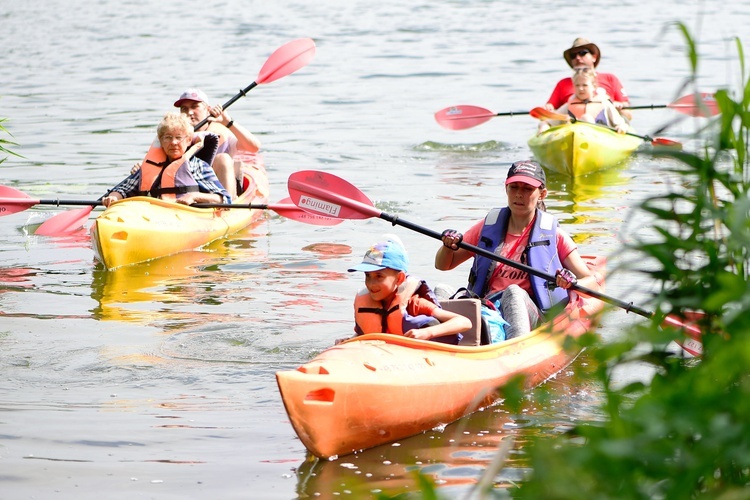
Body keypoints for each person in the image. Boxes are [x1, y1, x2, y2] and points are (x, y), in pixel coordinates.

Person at [435, 160, 603, 340]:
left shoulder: (554, 235)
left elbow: (593, 281)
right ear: (506, 189)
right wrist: (447, 246)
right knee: (440, 290)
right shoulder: (488, 226)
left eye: (527, 189)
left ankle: (515, 350)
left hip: (532, 313)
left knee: (513, 292)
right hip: (487, 306)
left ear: (542, 194)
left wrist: (571, 282)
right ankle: (436, 343)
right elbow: (443, 265)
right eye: (514, 187)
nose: (519, 195)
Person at [131, 88, 262, 200]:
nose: (189, 112)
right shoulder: (174, 137)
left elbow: (254, 147)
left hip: (218, 197)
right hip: (185, 196)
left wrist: (228, 122)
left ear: (207, 109)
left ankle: (226, 207)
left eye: (195, 107)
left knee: (223, 158)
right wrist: (141, 171)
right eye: (184, 109)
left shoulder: (221, 132)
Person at [345, 235, 471, 344]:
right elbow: (365, 334)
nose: (371, 284)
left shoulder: (414, 304)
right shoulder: (365, 303)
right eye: (367, 276)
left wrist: (428, 332)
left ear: (399, 279)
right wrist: (349, 341)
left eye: (379, 276)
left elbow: (464, 322)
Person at [102, 112, 230, 207]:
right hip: (154, 216)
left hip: (186, 216)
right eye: (168, 137)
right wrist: (113, 197)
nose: (173, 142)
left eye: (178, 137)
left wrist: (194, 196)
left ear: (188, 140)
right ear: (161, 141)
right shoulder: (150, 165)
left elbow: (223, 198)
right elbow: (124, 189)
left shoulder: (197, 166)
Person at [544, 38, 632, 121]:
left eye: (582, 53)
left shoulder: (610, 78)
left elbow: (627, 112)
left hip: (605, 124)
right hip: (570, 124)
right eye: (573, 55)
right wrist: (548, 108)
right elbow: (550, 107)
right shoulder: (563, 83)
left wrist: (618, 105)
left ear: (594, 57)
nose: (578, 58)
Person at [537, 68, 629, 134]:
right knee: (585, 118)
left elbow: (621, 123)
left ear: (593, 86)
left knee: (586, 118)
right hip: (575, 136)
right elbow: (548, 122)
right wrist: (544, 126)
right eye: (577, 85)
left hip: (600, 137)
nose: (581, 89)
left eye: (585, 85)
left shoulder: (604, 104)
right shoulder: (569, 105)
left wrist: (621, 127)